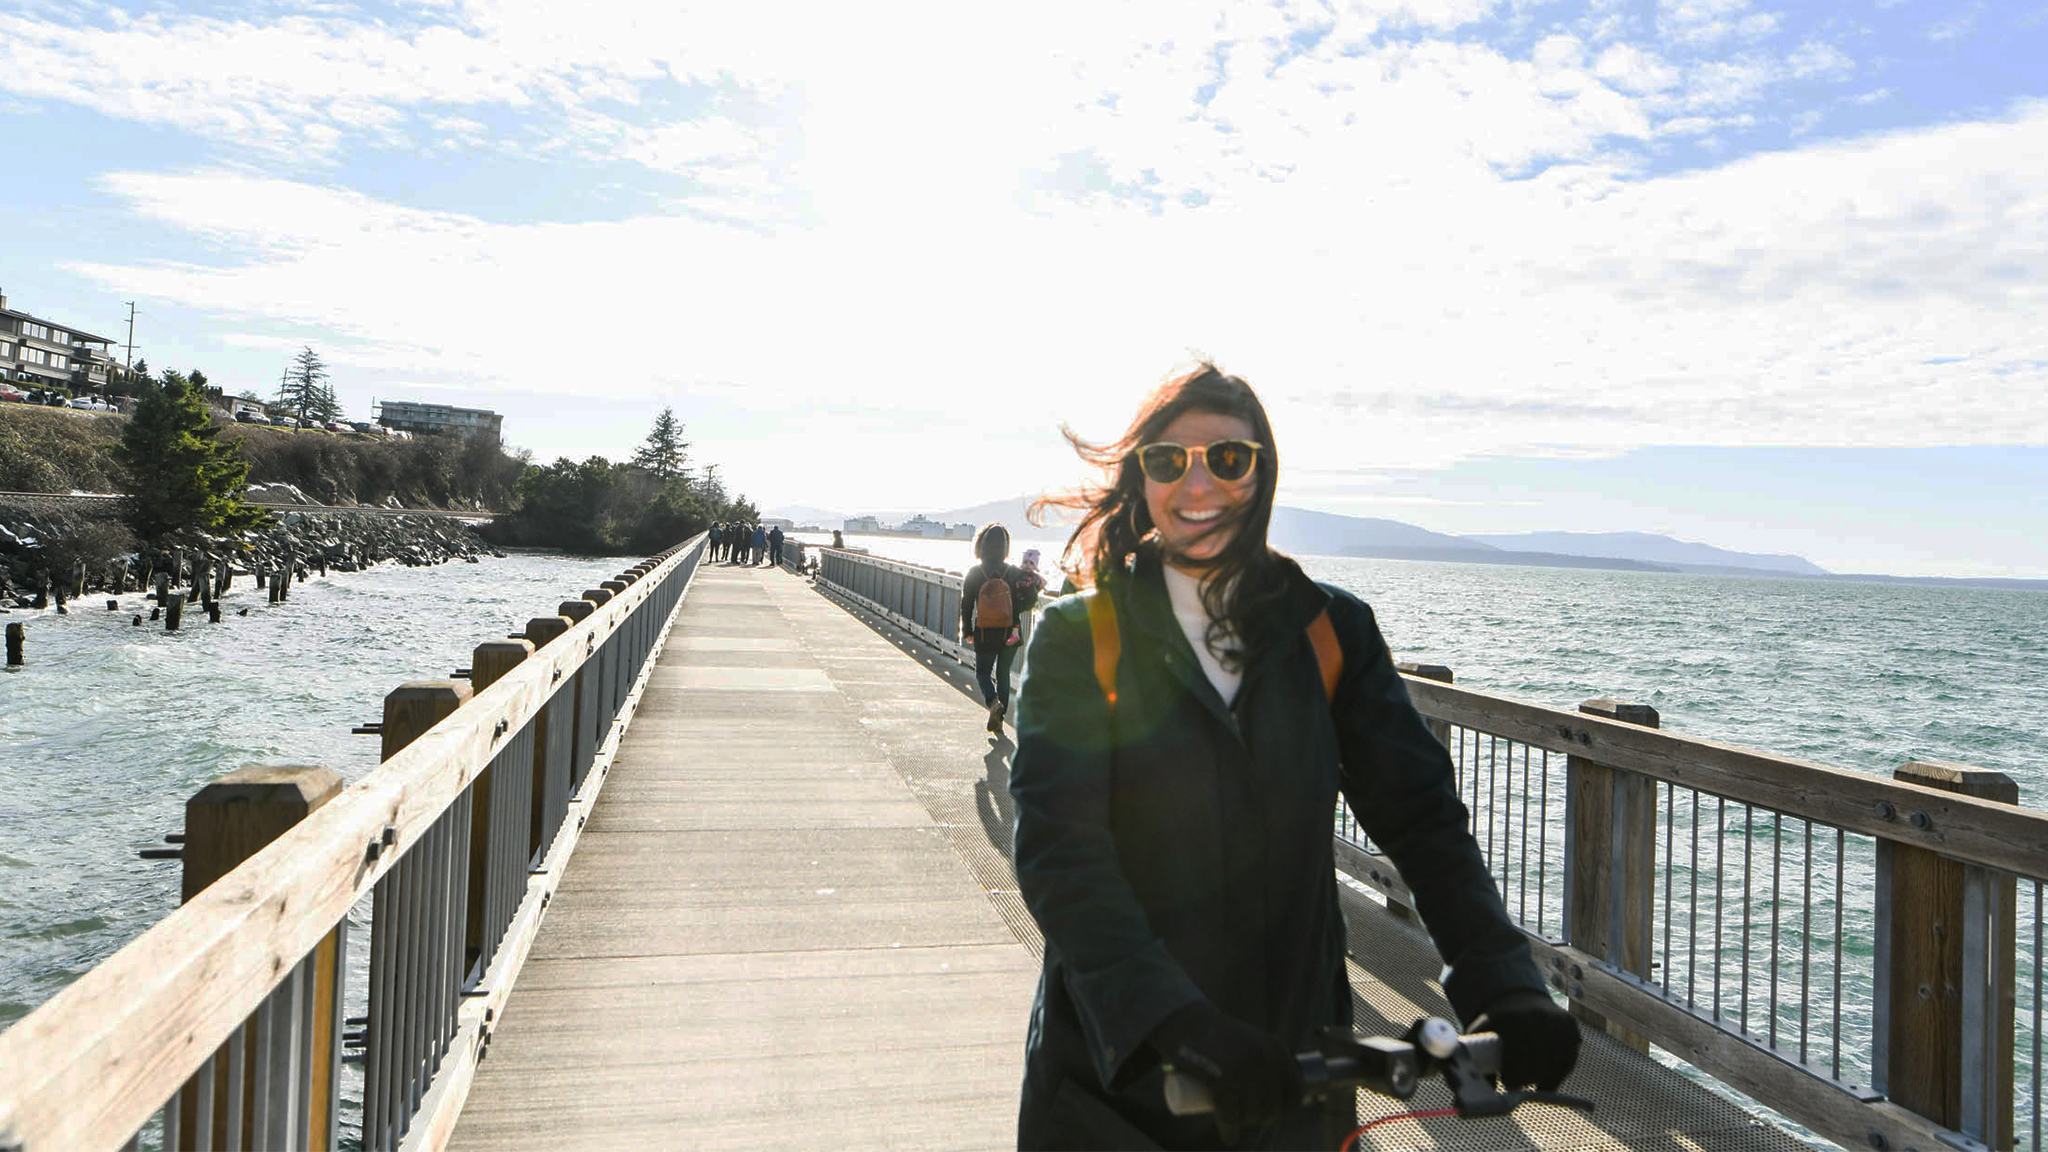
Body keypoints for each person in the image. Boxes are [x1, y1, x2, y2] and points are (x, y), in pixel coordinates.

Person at [1008, 364, 1578, 1150]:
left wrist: (1504, 981)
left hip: (1293, 1087)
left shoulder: (1330, 632)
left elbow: (1422, 820)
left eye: (1228, 459)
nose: (1197, 480)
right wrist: (1177, 1023)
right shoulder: (1082, 637)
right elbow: (1060, 855)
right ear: (1143, 481)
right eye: (1168, 460)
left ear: (1263, 474)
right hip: (1118, 1095)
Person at [960, 523, 1028, 734]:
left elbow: (967, 603)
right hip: (1011, 631)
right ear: (1005, 547)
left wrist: (968, 631)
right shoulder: (1014, 572)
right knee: (1004, 673)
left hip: (985, 631)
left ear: (982, 545)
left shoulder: (974, 572)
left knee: (982, 672)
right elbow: (1023, 602)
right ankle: (1001, 717)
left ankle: (993, 703)